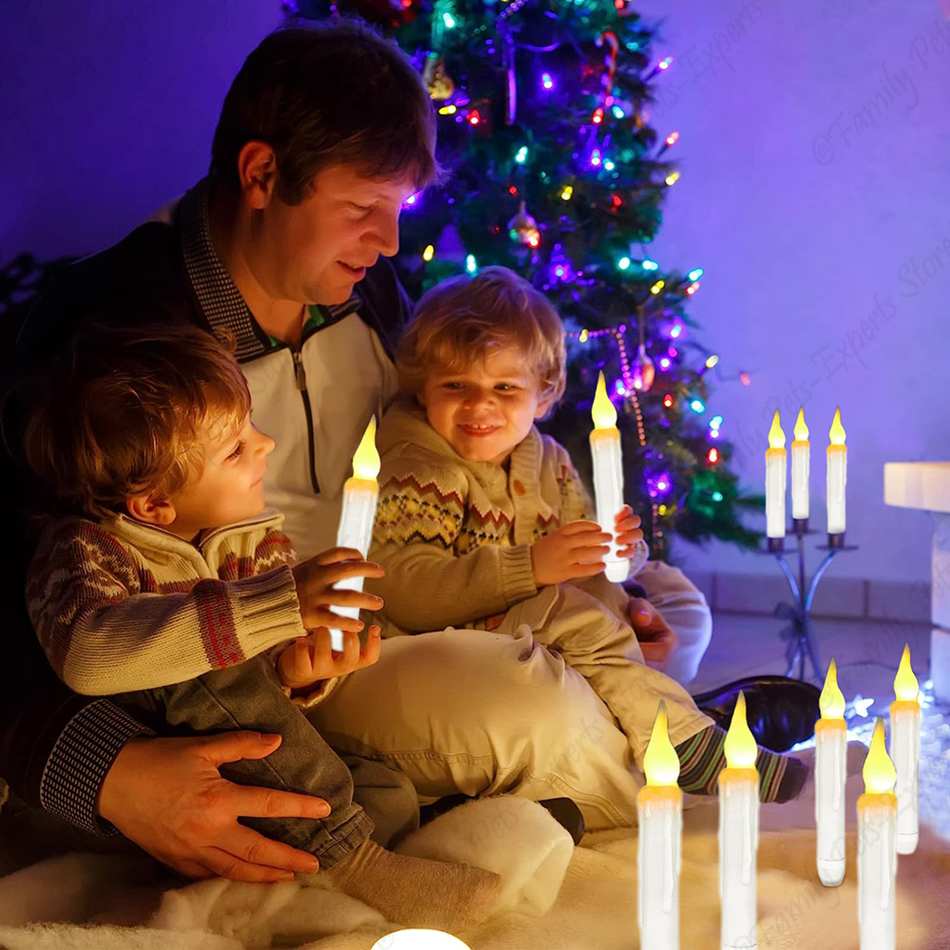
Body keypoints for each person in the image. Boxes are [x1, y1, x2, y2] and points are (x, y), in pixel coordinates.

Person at [0, 18, 723, 876]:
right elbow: (34, 583)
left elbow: (460, 449)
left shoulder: (364, 289)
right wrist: (110, 774)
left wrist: (595, 593)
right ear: (262, 174)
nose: (387, 242)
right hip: (252, 649)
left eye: (397, 212)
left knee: (672, 598)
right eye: (361, 210)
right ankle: (639, 771)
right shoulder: (118, 330)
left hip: (404, 597)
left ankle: (573, 751)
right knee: (530, 701)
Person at [17, 323, 501, 932]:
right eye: (235, 448)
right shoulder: (86, 550)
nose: (267, 444)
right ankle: (356, 865)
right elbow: (89, 658)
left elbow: (261, 685)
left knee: (385, 791)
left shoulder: (254, 543)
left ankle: (336, 866)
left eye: (252, 427)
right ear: (152, 505)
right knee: (208, 670)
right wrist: (271, 608)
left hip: (229, 771)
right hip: (121, 785)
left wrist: (297, 672)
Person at [359, 267, 810, 804]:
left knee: (618, 605)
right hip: (442, 640)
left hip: (530, 618)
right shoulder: (420, 465)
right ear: (422, 385)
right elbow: (403, 588)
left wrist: (620, 555)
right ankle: (683, 736)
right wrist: (531, 567)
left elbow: (583, 552)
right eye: (456, 386)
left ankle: (669, 721)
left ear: (544, 396)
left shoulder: (548, 458)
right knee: (576, 615)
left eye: (505, 388)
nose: (480, 406)